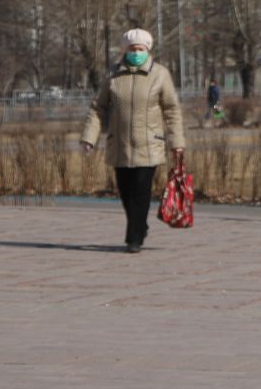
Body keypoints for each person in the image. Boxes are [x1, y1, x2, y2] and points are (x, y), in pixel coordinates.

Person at [79, 29, 185, 254]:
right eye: (132, 49)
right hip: (120, 144)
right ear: (124, 50)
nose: (136, 53)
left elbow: (172, 110)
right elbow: (98, 108)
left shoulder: (160, 74)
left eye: (140, 49)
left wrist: (177, 141)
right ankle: (140, 225)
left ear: (148, 50)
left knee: (141, 190)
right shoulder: (113, 75)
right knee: (126, 192)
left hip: (149, 144)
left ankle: (134, 238)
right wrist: (89, 137)